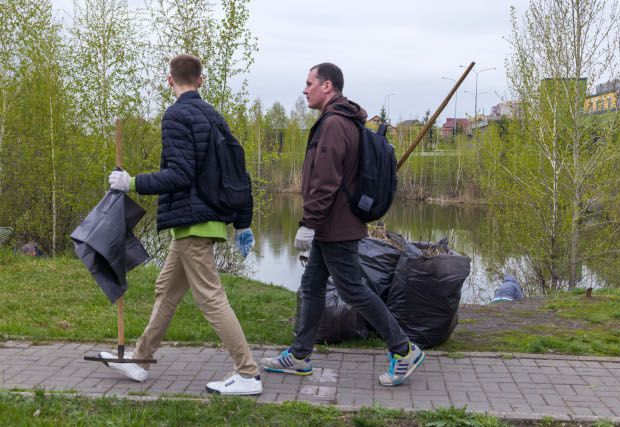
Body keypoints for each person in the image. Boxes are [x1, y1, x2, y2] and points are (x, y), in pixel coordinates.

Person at [101, 54, 262, 396]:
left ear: (169, 80)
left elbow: (180, 174)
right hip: (202, 219)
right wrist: (242, 222)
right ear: (201, 80)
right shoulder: (213, 116)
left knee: (210, 298)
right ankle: (141, 360)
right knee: (167, 289)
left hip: (193, 222)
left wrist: (130, 183)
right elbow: (238, 170)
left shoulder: (176, 115)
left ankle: (248, 373)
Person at [260, 63, 425, 386]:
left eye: (309, 83)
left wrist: (309, 222)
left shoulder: (334, 123)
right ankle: (299, 355)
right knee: (312, 286)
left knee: (353, 289)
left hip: (335, 226)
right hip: (332, 224)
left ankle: (404, 349)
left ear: (327, 86)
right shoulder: (340, 120)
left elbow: (325, 180)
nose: (304, 89)